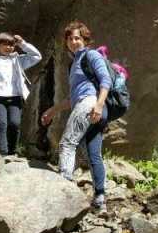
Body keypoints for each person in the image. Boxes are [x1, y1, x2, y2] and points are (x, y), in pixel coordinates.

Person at [41, 21, 111, 210]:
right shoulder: (75, 63)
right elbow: (73, 98)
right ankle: (100, 199)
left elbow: (106, 80)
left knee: (67, 143)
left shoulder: (91, 55)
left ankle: (64, 187)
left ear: (85, 40)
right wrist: (52, 111)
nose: (73, 41)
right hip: (89, 105)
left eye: (77, 38)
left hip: (92, 104)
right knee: (93, 154)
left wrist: (98, 104)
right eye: (70, 38)